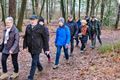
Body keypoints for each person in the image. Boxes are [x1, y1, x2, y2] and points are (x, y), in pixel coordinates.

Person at [23, 15, 49, 80]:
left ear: (37, 20)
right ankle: (40, 67)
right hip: (30, 47)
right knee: (35, 59)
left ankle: (30, 77)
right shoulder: (28, 27)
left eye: (33, 20)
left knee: (34, 62)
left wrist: (47, 49)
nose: (32, 21)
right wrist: (25, 45)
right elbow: (26, 37)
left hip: (38, 47)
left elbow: (45, 39)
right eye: (31, 20)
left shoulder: (41, 27)